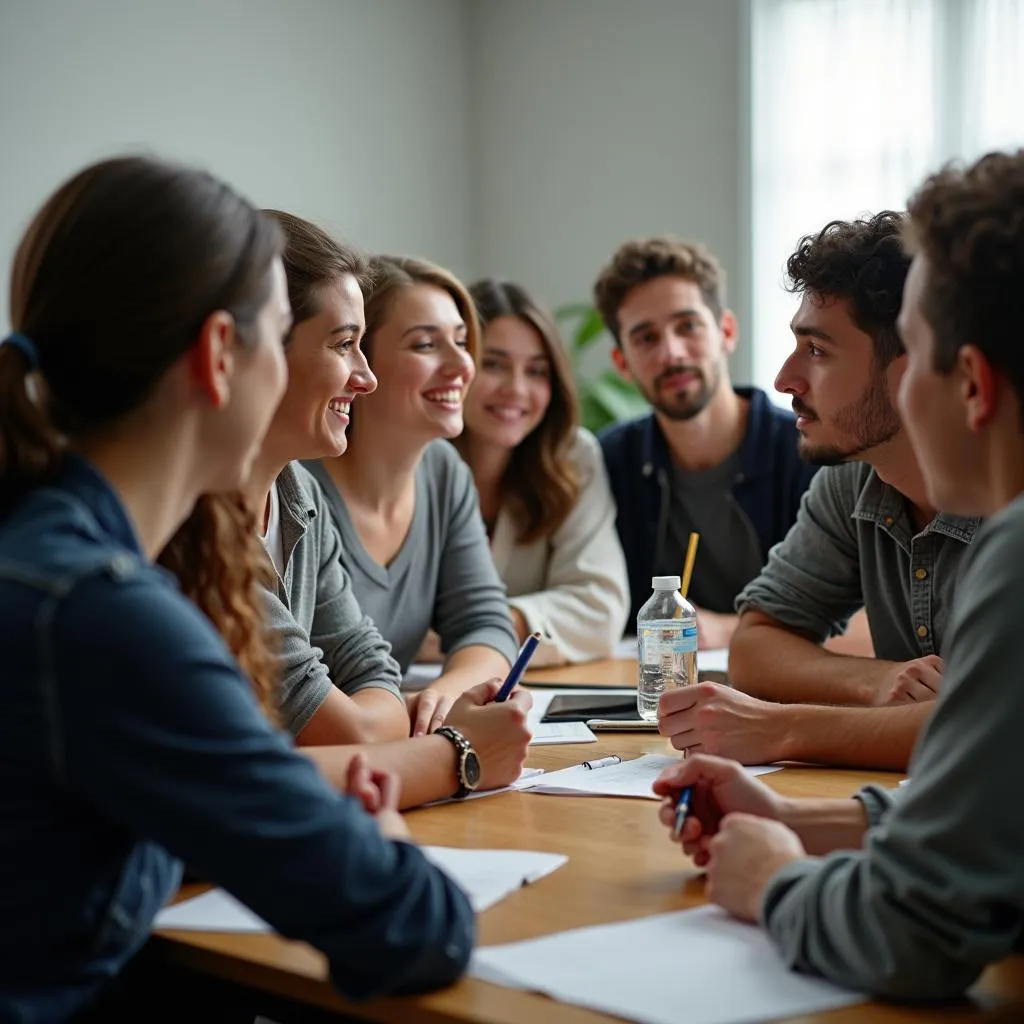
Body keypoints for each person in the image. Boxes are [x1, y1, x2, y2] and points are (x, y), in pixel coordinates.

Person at [0, 156, 473, 1021]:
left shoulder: (46, 552)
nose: (360, 381)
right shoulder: (109, 618)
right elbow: (414, 927)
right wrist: (387, 835)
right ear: (223, 354)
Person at [655, 148, 1024, 1002]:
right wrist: (807, 822)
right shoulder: (855, 488)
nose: (783, 383)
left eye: (920, 353)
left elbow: (917, 934)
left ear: (964, 382)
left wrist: (775, 881)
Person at [212, 209, 530, 803]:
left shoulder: (295, 495)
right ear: (258, 353)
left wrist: (399, 717)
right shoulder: (198, 526)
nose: (366, 377)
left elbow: (369, 670)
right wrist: (456, 751)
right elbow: (345, 730)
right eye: (344, 345)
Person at [658, 212, 978, 773]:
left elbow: (987, 728)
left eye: (817, 350)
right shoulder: (855, 476)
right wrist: (877, 682)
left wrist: (781, 730)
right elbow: (756, 647)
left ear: (909, 369)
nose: (783, 379)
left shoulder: (1003, 488)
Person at [304, 256, 519, 736]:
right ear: (358, 356)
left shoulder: (443, 472)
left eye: (462, 342)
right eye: (426, 344)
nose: (463, 364)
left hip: (386, 739)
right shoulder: (296, 484)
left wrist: (446, 695)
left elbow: (485, 623)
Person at [594, 236, 817, 649]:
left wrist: (724, 631)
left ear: (726, 331)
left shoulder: (806, 450)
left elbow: (844, 617)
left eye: (688, 326)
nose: (672, 353)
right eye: (646, 338)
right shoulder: (610, 462)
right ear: (622, 362)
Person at [453, 278, 629, 666]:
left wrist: (479, 629)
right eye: (494, 365)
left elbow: (600, 609)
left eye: (536, 371)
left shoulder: (572, 457)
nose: (516, 389)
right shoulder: (411, 457)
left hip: (515, 690)